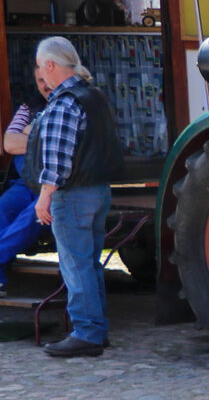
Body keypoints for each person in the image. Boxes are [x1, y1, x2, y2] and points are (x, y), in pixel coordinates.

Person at [28, 37, 123, 357]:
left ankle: (87, 333)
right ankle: (95, 330)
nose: (41, 73)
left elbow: (58, 162)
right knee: (89, 264)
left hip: (73, 195)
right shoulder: (93, 96)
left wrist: (44, 197)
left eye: (41, 66)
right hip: (98, 190)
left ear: (50, 65)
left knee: (76, 266)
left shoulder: (63, 103)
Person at [0, 63, 49, 292]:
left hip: (53, 183)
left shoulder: (67, 105)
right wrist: (40, 139)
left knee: (31, 217)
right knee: (3, 209)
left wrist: (29, 134)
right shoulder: (29, 108)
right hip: (25, 182)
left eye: (47, 79)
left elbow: (60, 143)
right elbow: (9, 144)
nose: (45, 85)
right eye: (40, 81)